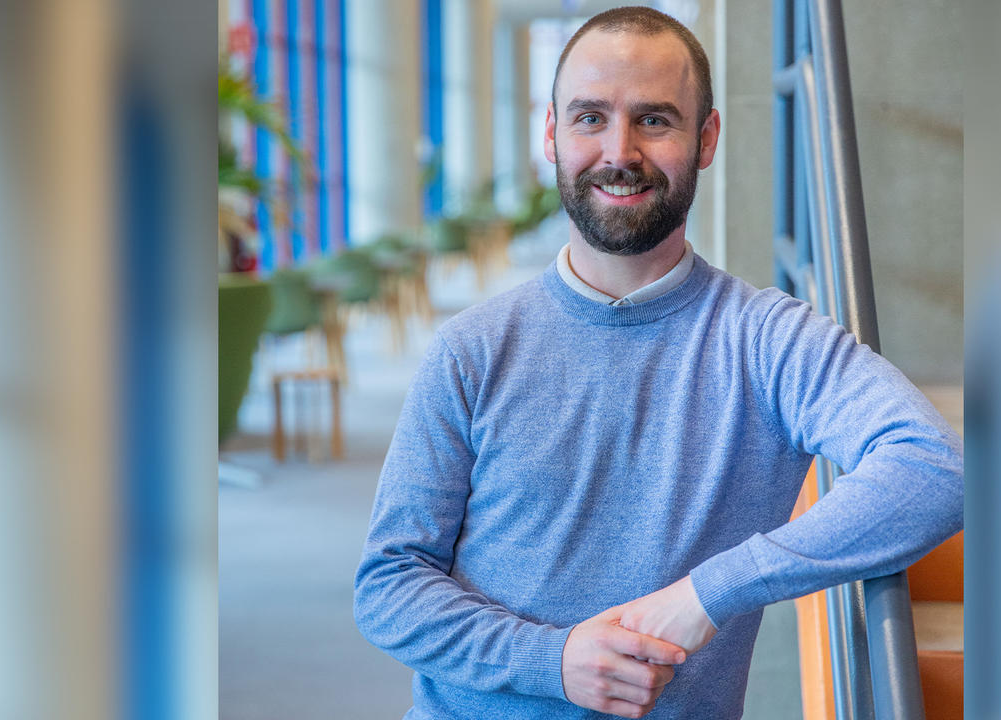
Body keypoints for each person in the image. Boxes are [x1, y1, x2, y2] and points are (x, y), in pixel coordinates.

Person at [354, 7, 962, 719]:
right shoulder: (473, 348)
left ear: (705, 138)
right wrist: (550, 661)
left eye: (653, 120)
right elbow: (391, 584)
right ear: (550, 134)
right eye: (589, 118)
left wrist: (706, 594)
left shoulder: (767, 341)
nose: (619, 151)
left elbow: (933, 469)